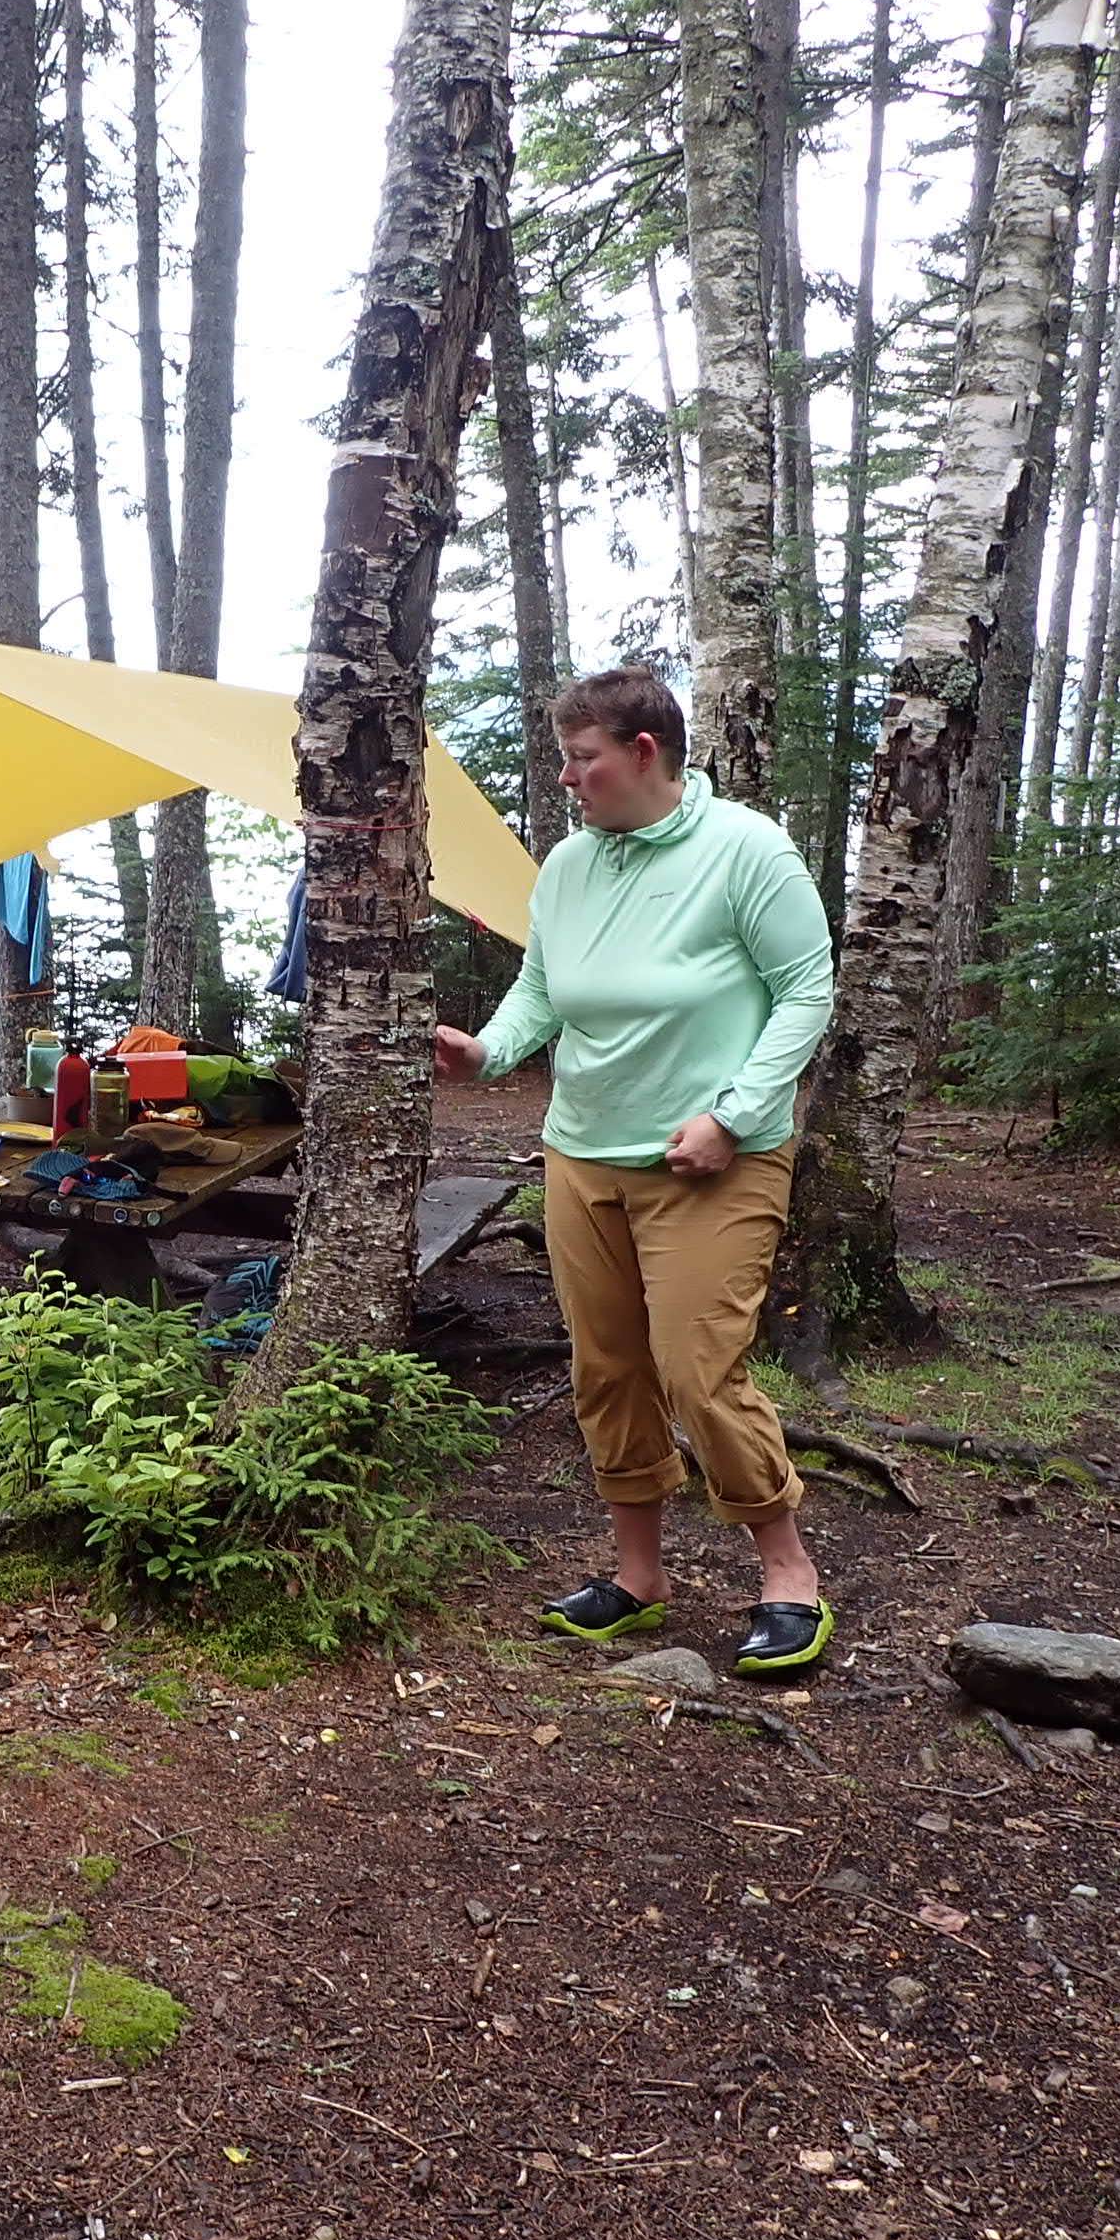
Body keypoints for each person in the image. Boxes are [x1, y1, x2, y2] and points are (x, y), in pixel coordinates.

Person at [435, 666, 837, 1680]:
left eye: (583, 760)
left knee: (698, 1370)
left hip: (710, 1161)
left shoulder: (743, 850)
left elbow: (804, 989)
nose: (568, 781)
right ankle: (637, 1577)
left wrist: (735, 1116)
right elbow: (542, 986)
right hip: (583, 1152)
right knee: (605, 1369)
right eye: (566, 760)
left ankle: (786, 1574)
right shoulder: (570, 864)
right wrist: (487, 1052)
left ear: (642, 753)